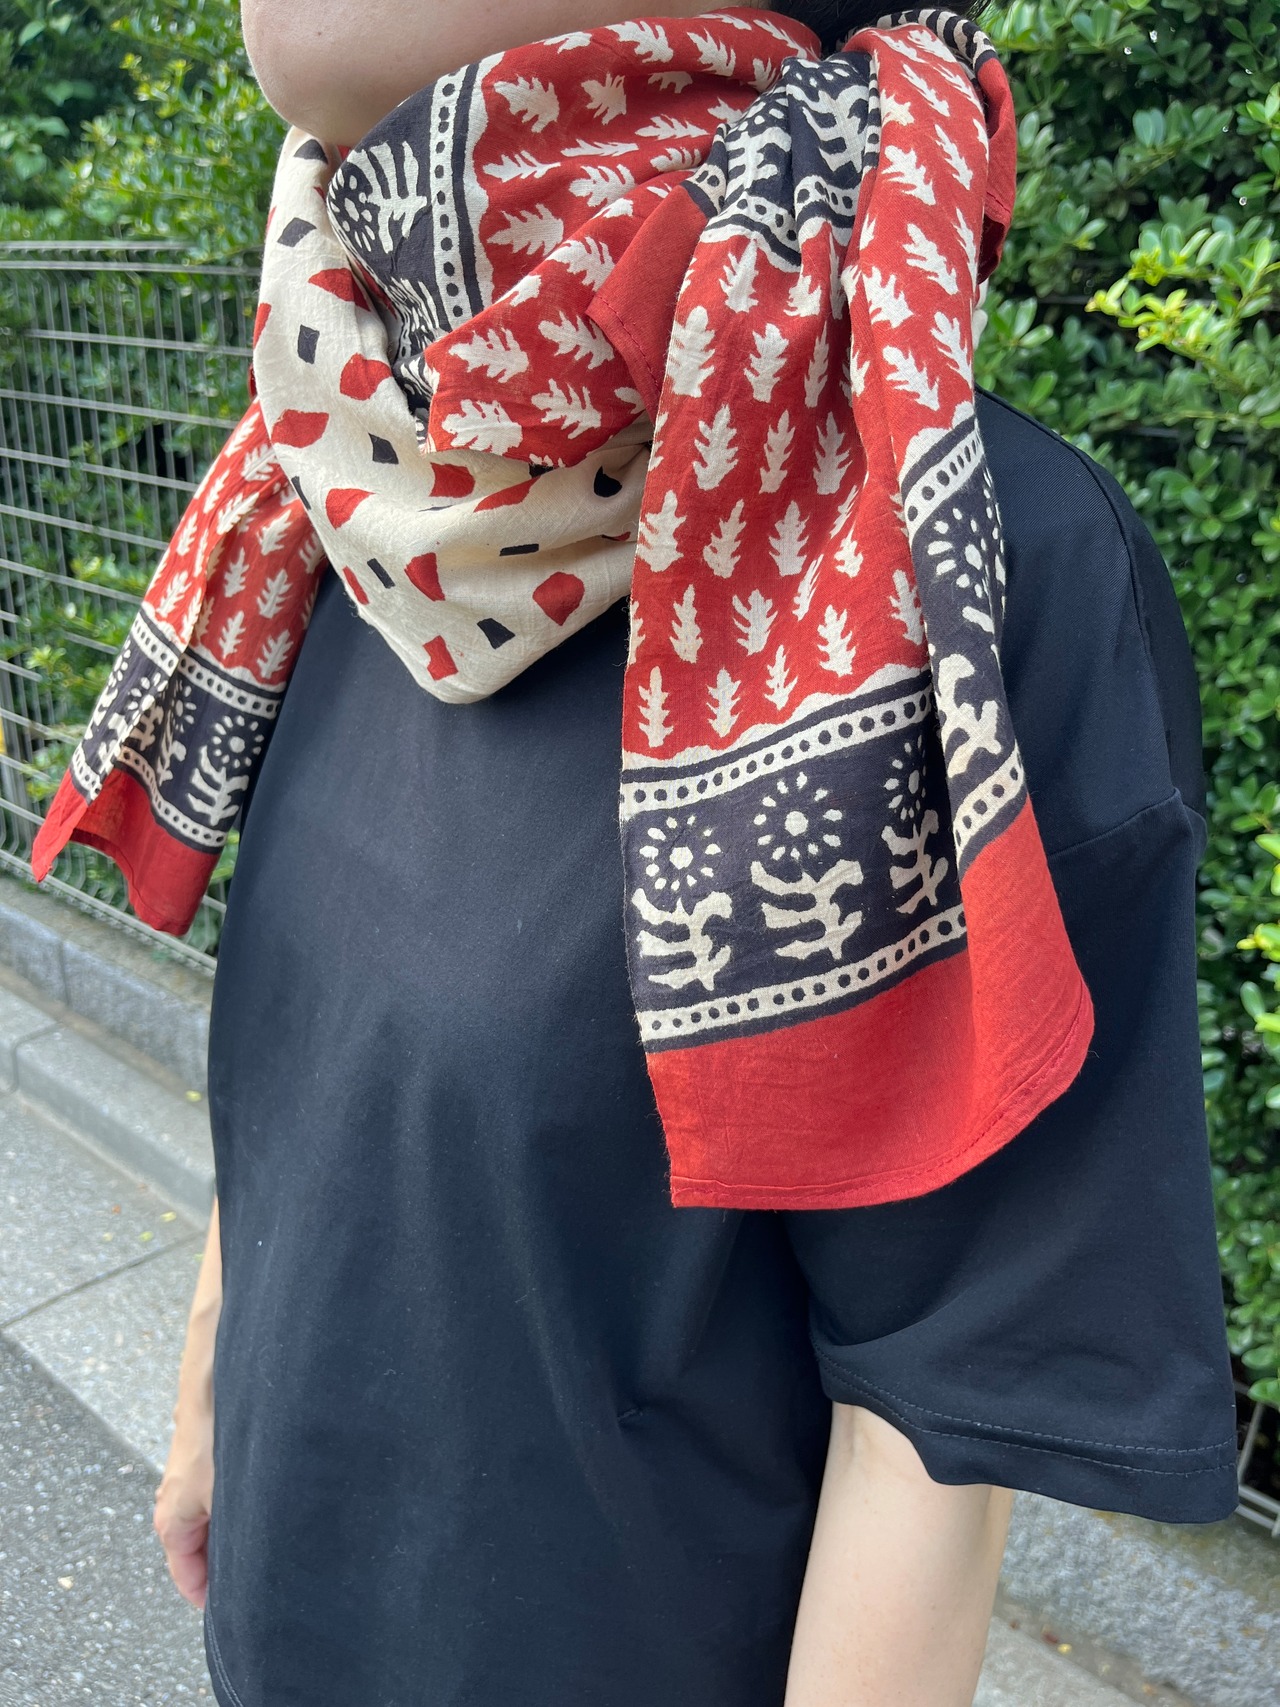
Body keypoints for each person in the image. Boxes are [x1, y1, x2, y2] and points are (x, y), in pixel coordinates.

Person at [37, 4, 1237, 1704]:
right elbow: (328, 1037)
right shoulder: (353, 475)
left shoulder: (953, 568)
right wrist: (212, 1382)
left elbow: (931, 1406)